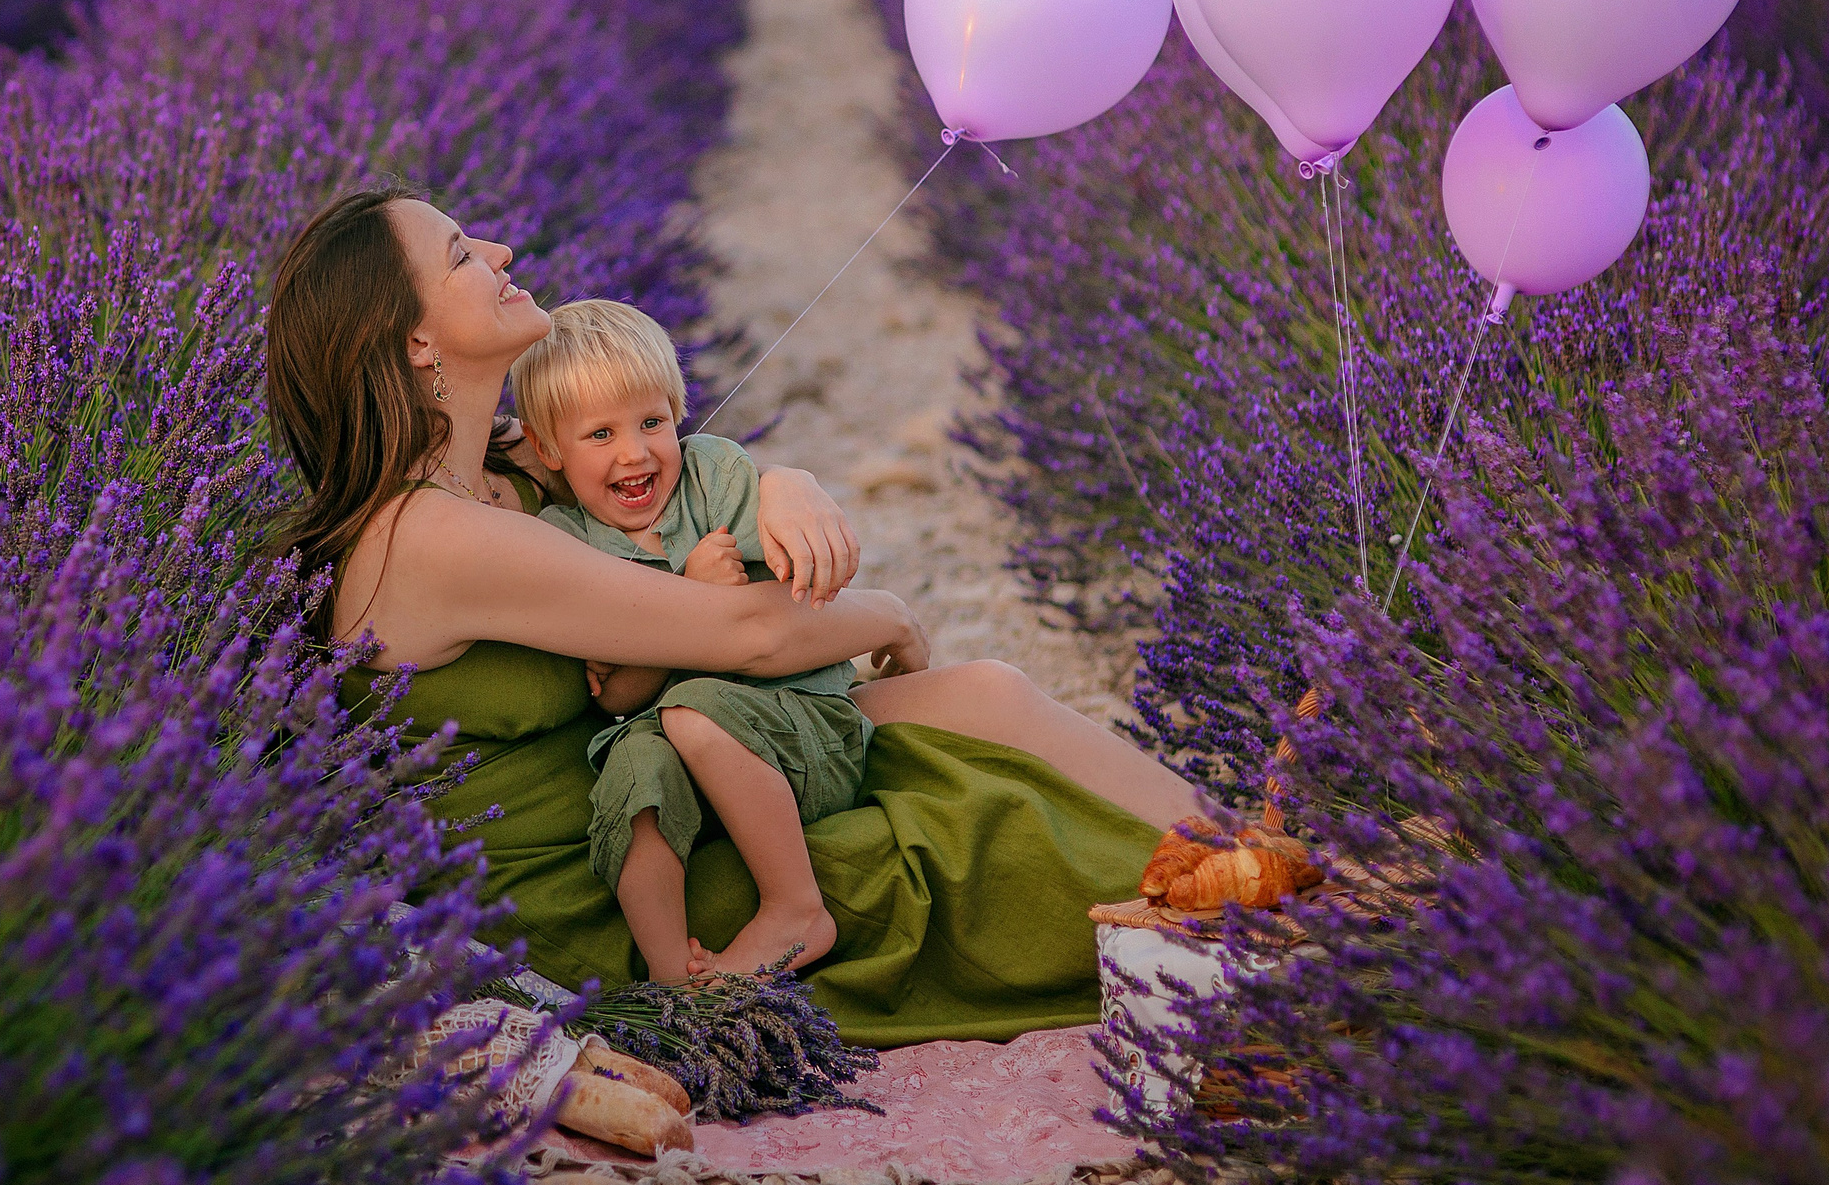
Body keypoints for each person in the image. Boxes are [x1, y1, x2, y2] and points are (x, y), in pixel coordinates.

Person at [264, 183, 1209, 1047]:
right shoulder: (430, 535)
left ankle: (1243, 850)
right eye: (462, 254)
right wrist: (888, 615)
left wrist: (782, 482)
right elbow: (749, 635)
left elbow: (685, 471)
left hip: (694, 764)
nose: (501, 251)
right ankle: (1228, 924)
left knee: (985, 696)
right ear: (415, 341)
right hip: (615, 884)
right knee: (974, 829)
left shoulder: (510, 465)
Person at [513, 298, 867, 982]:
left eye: (652, 422)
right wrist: (692, 599)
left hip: (794, 729)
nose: (634, 452)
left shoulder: (713, 478)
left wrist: (788, 491)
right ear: (548, 447)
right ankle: (674, 977)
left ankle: (796, 907)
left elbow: (811, 580)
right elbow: (618, 696)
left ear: (678, 412)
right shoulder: (565, 543)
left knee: (692, 711)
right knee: (632, 763)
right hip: (679, 756)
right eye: (600, 434)